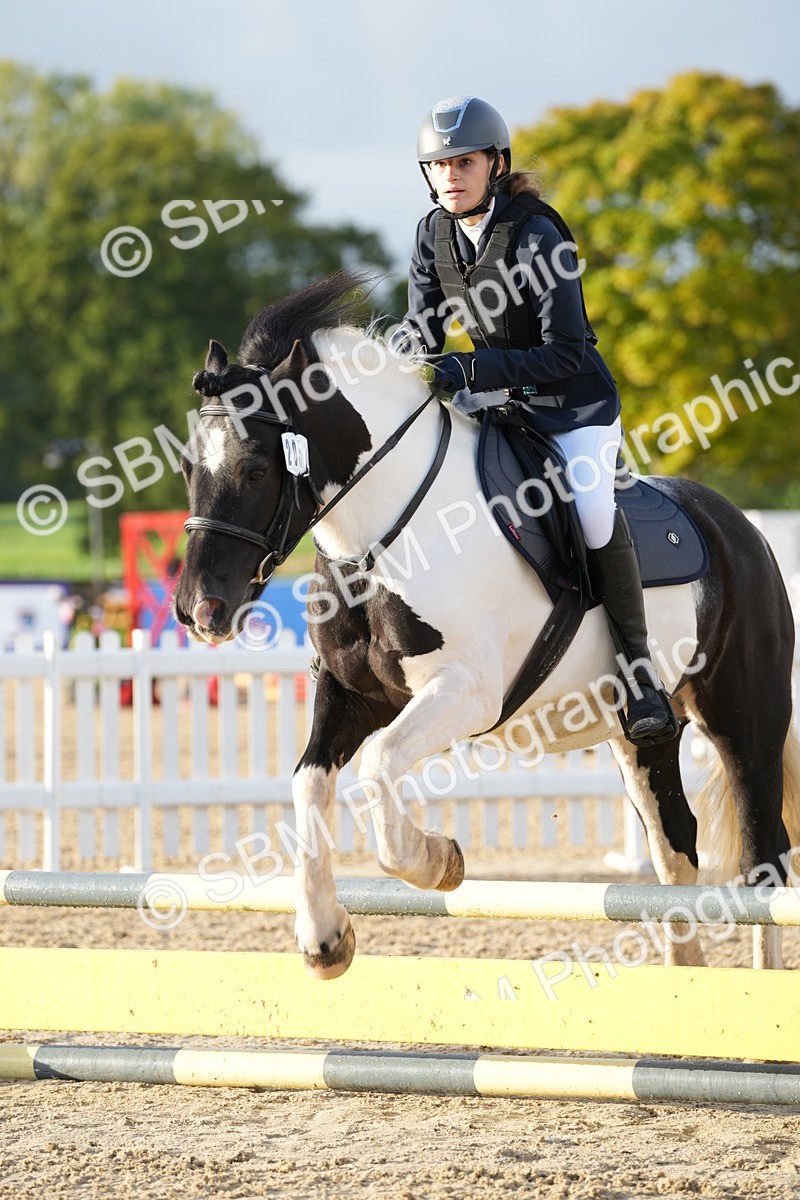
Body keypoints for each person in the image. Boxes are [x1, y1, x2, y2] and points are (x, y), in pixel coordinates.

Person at [394, 95, 677, 744]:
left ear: (496, 164)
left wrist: (469, 370)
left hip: (572, 406)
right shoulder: (432, 234)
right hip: (499, 406)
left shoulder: (539, 235)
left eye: (464, 163)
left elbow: (566, 351)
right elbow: (422, 332)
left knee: (593, 512)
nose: (450, 177)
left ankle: (640, 677)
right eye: (438, 166)